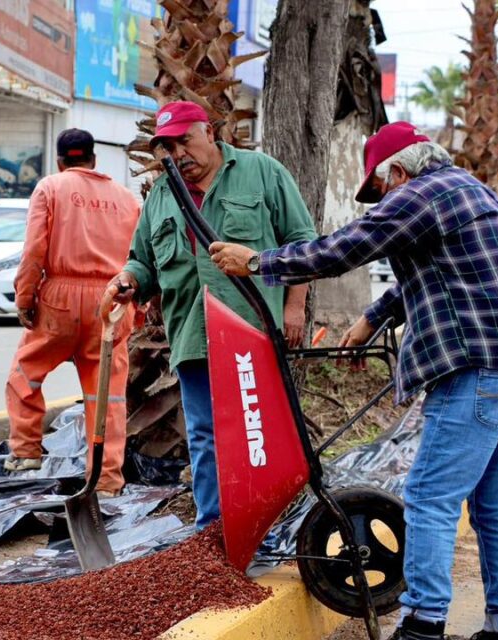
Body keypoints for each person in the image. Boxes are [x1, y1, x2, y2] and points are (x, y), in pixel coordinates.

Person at [206, 121, 498, 640]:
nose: (378, 204)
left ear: (397, 171)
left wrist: (259, 261)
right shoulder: (473, 193)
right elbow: (437, 270)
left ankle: (423, 623)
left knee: (428, 497)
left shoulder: (418, 193)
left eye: (377, 191)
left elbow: (343, 249)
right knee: (496, 507)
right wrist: (373, 317)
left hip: (484, 368)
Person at [101, 101, 317, 528]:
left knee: (257, 436)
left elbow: (302, 244)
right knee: (203, 436)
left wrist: (294, 309)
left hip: (251, 333)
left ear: (210, 133)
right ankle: (214, 528)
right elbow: (143, 261)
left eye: (186, 139)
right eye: (168, 146)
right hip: (192, 335)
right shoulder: (163, 194)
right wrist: (127, 280)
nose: (179, 153)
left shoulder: (262, 172)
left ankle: (263, 527)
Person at [4, 129, 141, 497]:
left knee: (26, 373)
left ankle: (26, 452)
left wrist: (25, 299)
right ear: (94, 160)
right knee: (108, 396)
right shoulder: (126, 199)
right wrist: (137, 309)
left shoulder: (51, 187)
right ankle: (108, 480)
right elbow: (142, 257)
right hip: (113, 298)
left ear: (61, 161)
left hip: (60, 299)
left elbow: (34, 249)